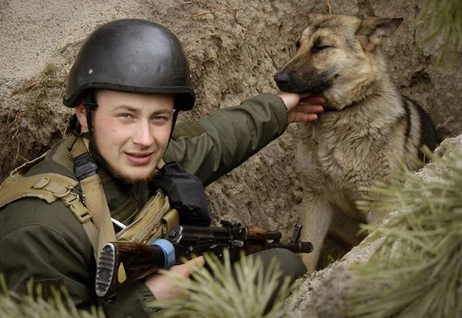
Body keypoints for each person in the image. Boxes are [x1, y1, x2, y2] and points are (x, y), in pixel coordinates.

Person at [0, 19, 324, 317]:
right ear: (85, 113)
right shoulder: (40, 229)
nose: (145, 140)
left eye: (159, 118)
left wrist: (280, 107)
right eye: (126, 116)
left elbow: (216, 139)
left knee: (281, 264)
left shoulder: (139, 158)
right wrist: (149, 299)